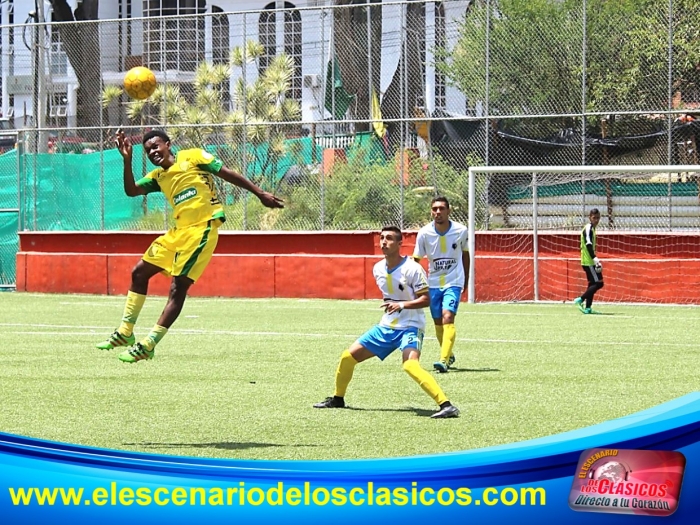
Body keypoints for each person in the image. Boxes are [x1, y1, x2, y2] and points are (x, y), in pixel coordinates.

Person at [96, 129, 283, 363]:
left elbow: (226, 173)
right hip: (177, 232)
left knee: (178, 287)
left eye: (156, 146)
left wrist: (259, 193)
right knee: (139, 272)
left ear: (168, 144)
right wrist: (127, 160)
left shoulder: (193, 157)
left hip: (202, 229)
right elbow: (132, 190)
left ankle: (149, 344)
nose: (153, 152)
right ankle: (125, 332)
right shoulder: (158, 177)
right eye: (148, 151)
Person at [313, 226, 460, 419]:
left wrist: (402, 305)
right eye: (382, 238)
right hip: (386, 327)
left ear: (400, 244)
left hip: (410, 327)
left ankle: (446, 405)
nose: (384, 242)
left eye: (389, 238)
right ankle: (338, 398)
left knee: (410, 366)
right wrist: (393, 305)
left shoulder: (413, 269)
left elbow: (426, 299)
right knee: (347, 357)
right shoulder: (378, 268)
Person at [412, 196, 469, 373]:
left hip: (454, 280)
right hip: (433, 282)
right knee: (437, 321)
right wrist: (415, 284)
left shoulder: (461, 230)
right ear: (431, 211)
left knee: (448, 317)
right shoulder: (424, 233)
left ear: (448, 211)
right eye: (435, 209)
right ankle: (449, 353)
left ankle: (443, 360)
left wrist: (465, 279)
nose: (438, 212)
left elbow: (466, 255)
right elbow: (416, 259)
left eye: (441, 209)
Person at [574, 208, 604, 314]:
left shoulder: (592, 229)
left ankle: (587, 308)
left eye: (598, 218)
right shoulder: (588, 228)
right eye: (594, 218)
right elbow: (588, 244)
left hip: (589, 261)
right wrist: (595, 258)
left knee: (592, 284)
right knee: (599, 283)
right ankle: (581, 299)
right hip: (588, 261)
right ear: (589, 218)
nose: (596, 220)